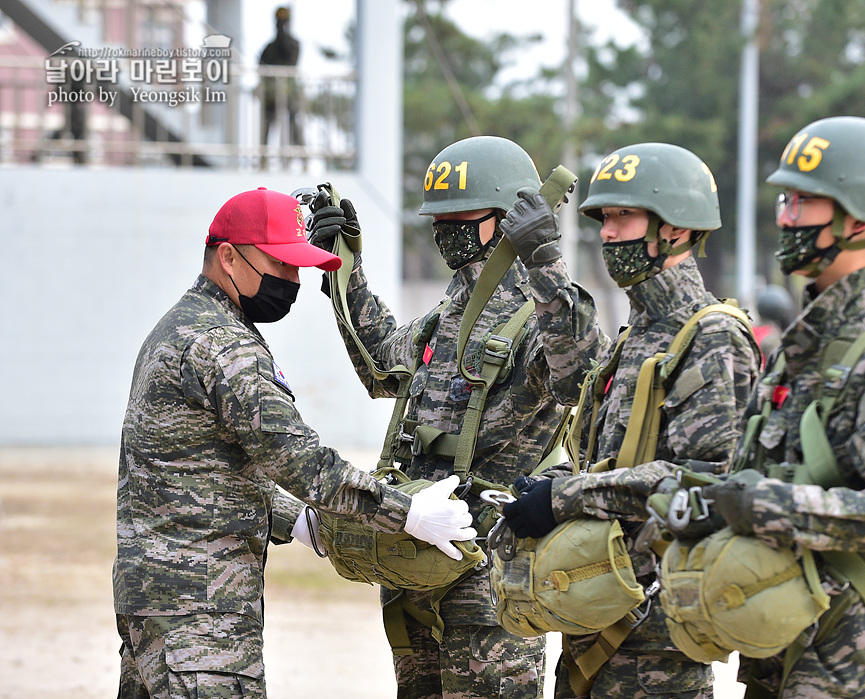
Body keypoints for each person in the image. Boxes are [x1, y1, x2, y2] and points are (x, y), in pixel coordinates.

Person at [113, 187, 474, 699]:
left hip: (155, 607)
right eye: (280, 265)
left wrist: (301, 523)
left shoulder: (180, 327)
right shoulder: (225, 348)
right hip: (203, 624)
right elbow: (301, 461)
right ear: (229, 257)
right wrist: (406, 512)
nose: (292, 280)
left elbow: (202, 473)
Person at [307, 135, 607, 699]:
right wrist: (344, 268)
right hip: (416, 563)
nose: (445, 228)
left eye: (459, 214)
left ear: (505, 217)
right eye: (438, 217)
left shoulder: (538, 313)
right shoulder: (447, 315)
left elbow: (579, 371)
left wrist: (543, 258)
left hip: (490, 575)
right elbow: (380, 365)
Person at [701, 116, 865, 697]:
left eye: (805, 202)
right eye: (785, 200)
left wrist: (768, 506)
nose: (786, 217)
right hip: (781, 631)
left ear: (861, 217)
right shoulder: (804, 342)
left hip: (849, 655)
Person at [501, 142, 762, 699]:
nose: (609, 232)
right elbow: (597, 427)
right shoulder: (636, 338)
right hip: (598, 612)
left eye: (625, 216)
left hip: (658, 645)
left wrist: (562, 499)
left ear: (677, 228)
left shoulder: (712, 337)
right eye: (604, 218)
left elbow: (703, 481)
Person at [258, 6, 301, 165]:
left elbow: (289, 56)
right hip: (271, 94)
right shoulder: (269, 48)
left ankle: (302, 157)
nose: (280, 25)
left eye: (283, 22)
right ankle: (263, 158)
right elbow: (261, 66)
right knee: (267, 125)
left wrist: (283, 32)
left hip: (289, 93)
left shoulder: (293, 44)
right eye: (279, 22)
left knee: (294, 125)